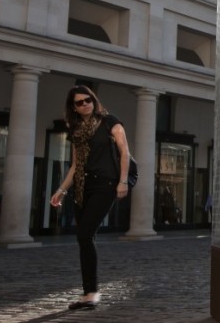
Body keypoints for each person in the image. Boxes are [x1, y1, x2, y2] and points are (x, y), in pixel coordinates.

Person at [49, 85, 132, 310]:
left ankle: (92, 293)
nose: (85, 104)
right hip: (83, 187)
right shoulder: (76, 129)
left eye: (88, 100)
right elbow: (76, 165)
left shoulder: (109, 121)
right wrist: (61, 190)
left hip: (106, 184)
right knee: (84, 238)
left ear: (94, 100)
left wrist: (122, 181)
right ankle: (88, 293)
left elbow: (124, 151)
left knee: (85, 234)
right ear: (73, 107)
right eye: (79, 102)